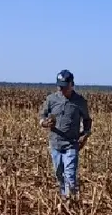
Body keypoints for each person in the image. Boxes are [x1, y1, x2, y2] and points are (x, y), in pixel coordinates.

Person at [38, 70, 92, 199]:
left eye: (64, 87)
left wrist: (85, 135)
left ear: (71, 84)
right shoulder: (51, 99)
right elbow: (42, 116)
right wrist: (44, 123)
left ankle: (71, 201)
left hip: (72, 143)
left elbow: (87, 120)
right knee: (59, 173)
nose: (61, 89)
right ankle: (64, 198)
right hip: (55, 143)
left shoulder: (79, 101)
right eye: (59, 86)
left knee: (70, 174)